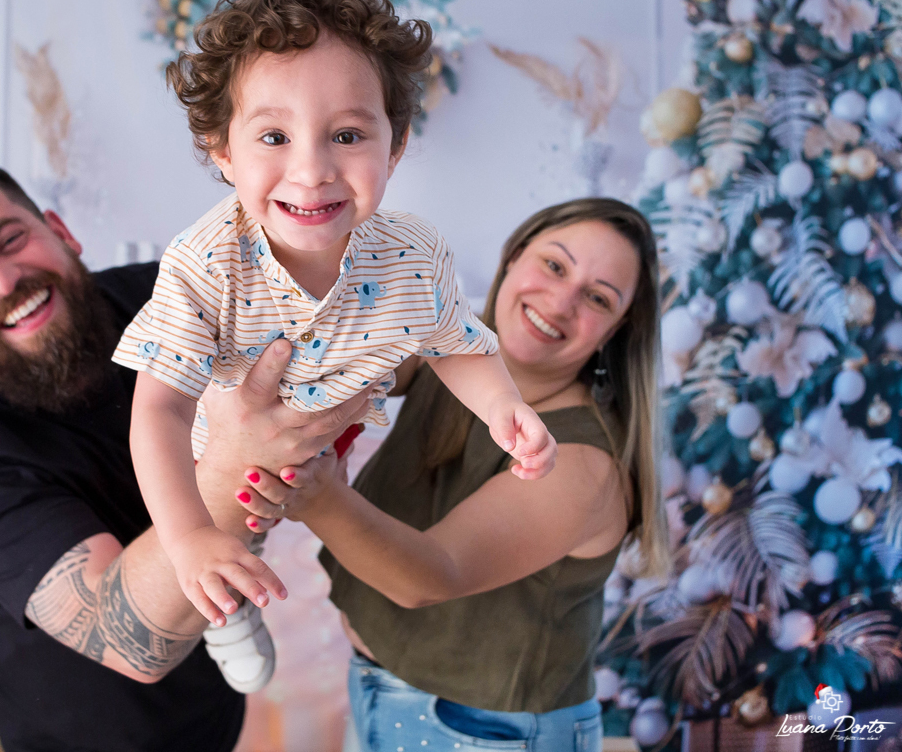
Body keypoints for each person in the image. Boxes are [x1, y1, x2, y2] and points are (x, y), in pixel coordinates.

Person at [110, 0, 556, 681]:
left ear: (395, 145)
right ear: (223, 151)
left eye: (347, 135)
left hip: (333, 420)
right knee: (234, 529)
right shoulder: (205, 263)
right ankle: (225, 600)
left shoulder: (413, 253)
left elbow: (454, 343)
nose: (312, 169)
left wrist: (504, 407)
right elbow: (159, 411)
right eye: (274, 137)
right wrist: (188, 536)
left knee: (318, 496)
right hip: (212, 451)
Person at [0, 157, 367, 752]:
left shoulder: (169, 297)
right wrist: (241, 459)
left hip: (213, 720)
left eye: (11, 240)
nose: (3, 281)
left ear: (61, 231)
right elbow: (127, 639)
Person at [235, 199, 671, 752]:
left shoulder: (586, 465)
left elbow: (430, 576)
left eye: (598, 298)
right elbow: (351, 355)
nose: (560, 302)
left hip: (485, 734)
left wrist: (316, 494)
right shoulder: (454, 347)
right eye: (554, 265)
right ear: (513, 257)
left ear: (616, 329)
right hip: (379, 689)